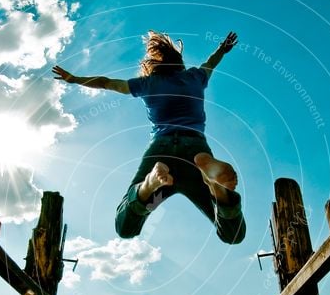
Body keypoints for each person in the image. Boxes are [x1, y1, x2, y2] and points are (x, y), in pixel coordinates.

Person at [52, 31, 245, 245]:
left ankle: (148, 186)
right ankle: (214, 186)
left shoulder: (148, 84)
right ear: (179, 63)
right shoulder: (195, 77)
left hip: (161, 156)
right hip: (195, 154)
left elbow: (107, 82)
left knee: (126, 227)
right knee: (232, 235)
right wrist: (222, 49)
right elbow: (211, 63)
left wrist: (75, 79)